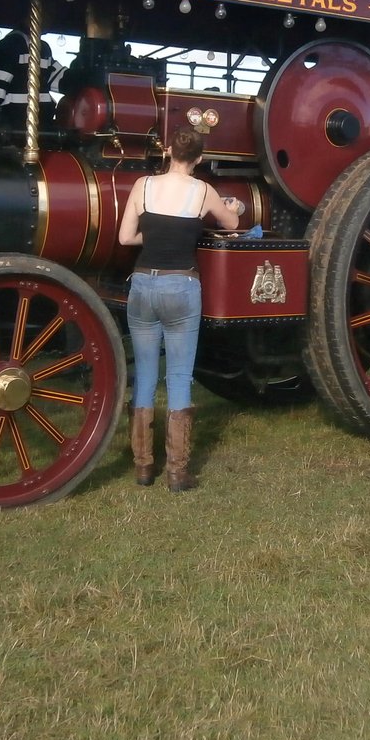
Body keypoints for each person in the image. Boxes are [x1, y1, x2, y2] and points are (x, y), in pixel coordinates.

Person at [118, 127, 242, 490]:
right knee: (179, 377)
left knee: (145, 375)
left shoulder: (143, 186)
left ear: (169, 151)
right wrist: (232, 208)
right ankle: (177, 471)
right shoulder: (203, 191)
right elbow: (232, 224)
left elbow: (126, 237)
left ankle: (143, 467)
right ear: (200, 159)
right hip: (182, 286)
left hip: (142, 284)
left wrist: (154, 236)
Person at [0, 30, 66, 129]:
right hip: (18, 127)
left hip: (40, 125)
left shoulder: (43, 48)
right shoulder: (9, 45)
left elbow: (59, 78)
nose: (50, 19)